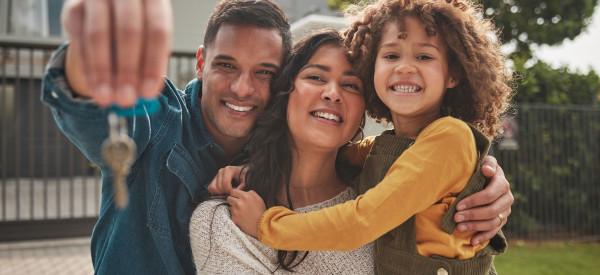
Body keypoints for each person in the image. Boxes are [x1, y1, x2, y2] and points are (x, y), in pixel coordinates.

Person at [42, 0, 511, 274]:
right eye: (226, 66)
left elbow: (399, 178)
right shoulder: (183, 151)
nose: (244, 88)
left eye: (349, 84)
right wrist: (92, 62)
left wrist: (483, 178)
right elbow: (107, 113)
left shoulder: (369, 182)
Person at [224, 0, 512, 274]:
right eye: (391, 55)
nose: (404, 67)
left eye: (424, 56)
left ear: (453, 75)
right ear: (372, 68)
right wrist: (256, 168)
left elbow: (362, 221)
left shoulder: (451, 137)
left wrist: (266, 225)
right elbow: (331, 155)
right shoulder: (392, 145)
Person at [190, 30, 375, 274]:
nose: (332, 93)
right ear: (285, 93)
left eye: (351, 85)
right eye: (316, 77)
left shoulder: (380, 201)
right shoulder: (222, 220)